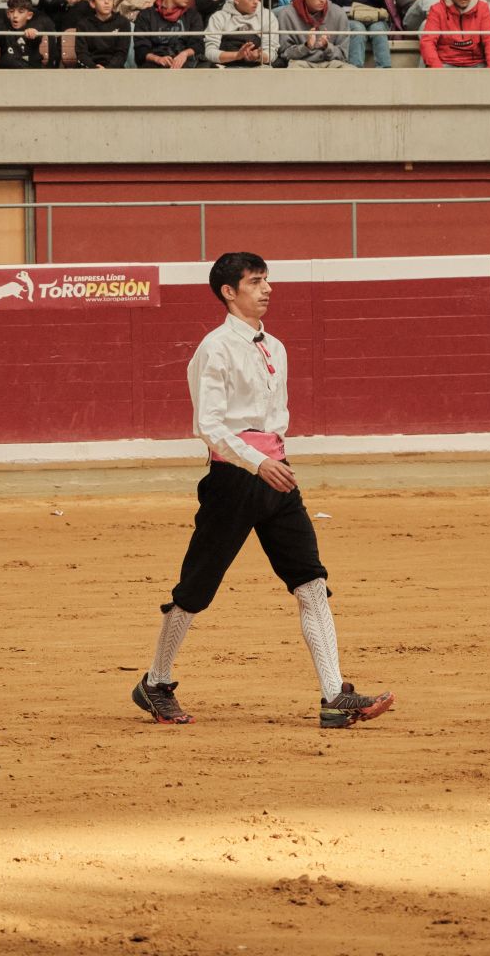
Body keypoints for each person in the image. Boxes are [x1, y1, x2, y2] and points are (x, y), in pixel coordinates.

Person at [131, 252, 395, 730]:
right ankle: (155, 681)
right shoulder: (214, 348)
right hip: (235, 478)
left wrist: (275, 462)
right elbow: (208, 426)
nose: (267, 289)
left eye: (267, 280)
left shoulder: (276, 345)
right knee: (197, 587)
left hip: (277, 472)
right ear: (229, 292)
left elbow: (274, 420)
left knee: (311, 580)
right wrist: (257, 463)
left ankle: (334, 695)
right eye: (255, 282)